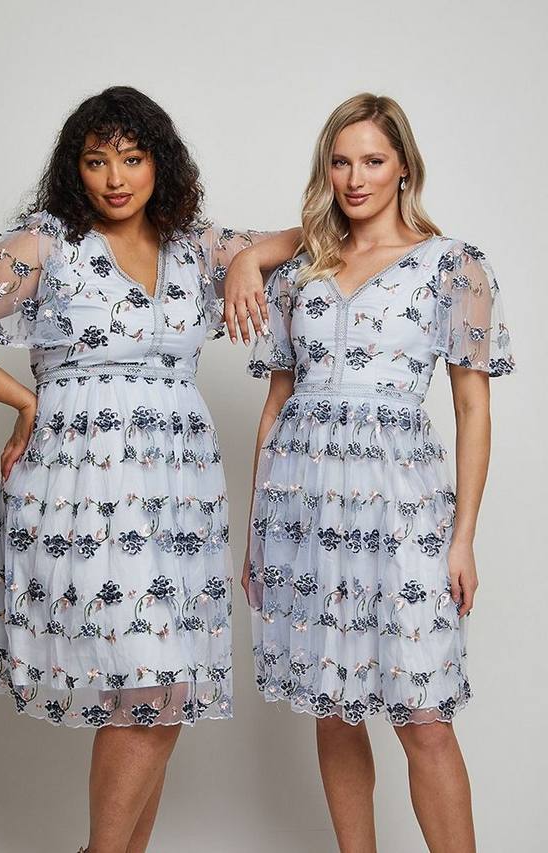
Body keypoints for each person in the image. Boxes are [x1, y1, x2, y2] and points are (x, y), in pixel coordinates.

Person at [0, 86, 298, 853]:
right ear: (74, 168)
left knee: (167, 687)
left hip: (178, 494)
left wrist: (250, 257)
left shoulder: (196, 246)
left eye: (132, 158)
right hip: (82, 490)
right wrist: (24, 398)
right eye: (96, 161)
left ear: (160, 163)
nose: (115, 178)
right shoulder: (46, 244)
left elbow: (323, 231)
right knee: (147, 678)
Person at [241, 92, 514, 852]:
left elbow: (472, 407)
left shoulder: (451, 266)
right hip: (302, 509)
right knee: (334, 708)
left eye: (372, 160)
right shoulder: (300, 270)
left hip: (401, 508)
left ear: (403, 169)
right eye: (340, 162)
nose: (355, 178)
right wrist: (258, 530)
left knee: (424, 717)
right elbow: (276, 403)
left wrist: (462, 538)